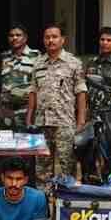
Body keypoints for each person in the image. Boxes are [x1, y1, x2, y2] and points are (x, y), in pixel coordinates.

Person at [27, 23, 87, 189]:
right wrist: (29, 118)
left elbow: (81, 92)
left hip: (64, 123)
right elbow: (33, 91)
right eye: (47, 37)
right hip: (42, 123)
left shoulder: (74, 63)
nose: (51, 40)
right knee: (42, 170)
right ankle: (44, 202)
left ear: (62, 40)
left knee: (67, 168)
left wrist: (81, 121)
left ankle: (66, 202)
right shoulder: (38, 63)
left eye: (54, 37)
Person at [0, 24, 41, 129]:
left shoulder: (36, 56)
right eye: (11, 35)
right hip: (6, 113)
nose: (14, 38)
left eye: (18, 35)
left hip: (26, 112)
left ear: (25, 38)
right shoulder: (4, 57)